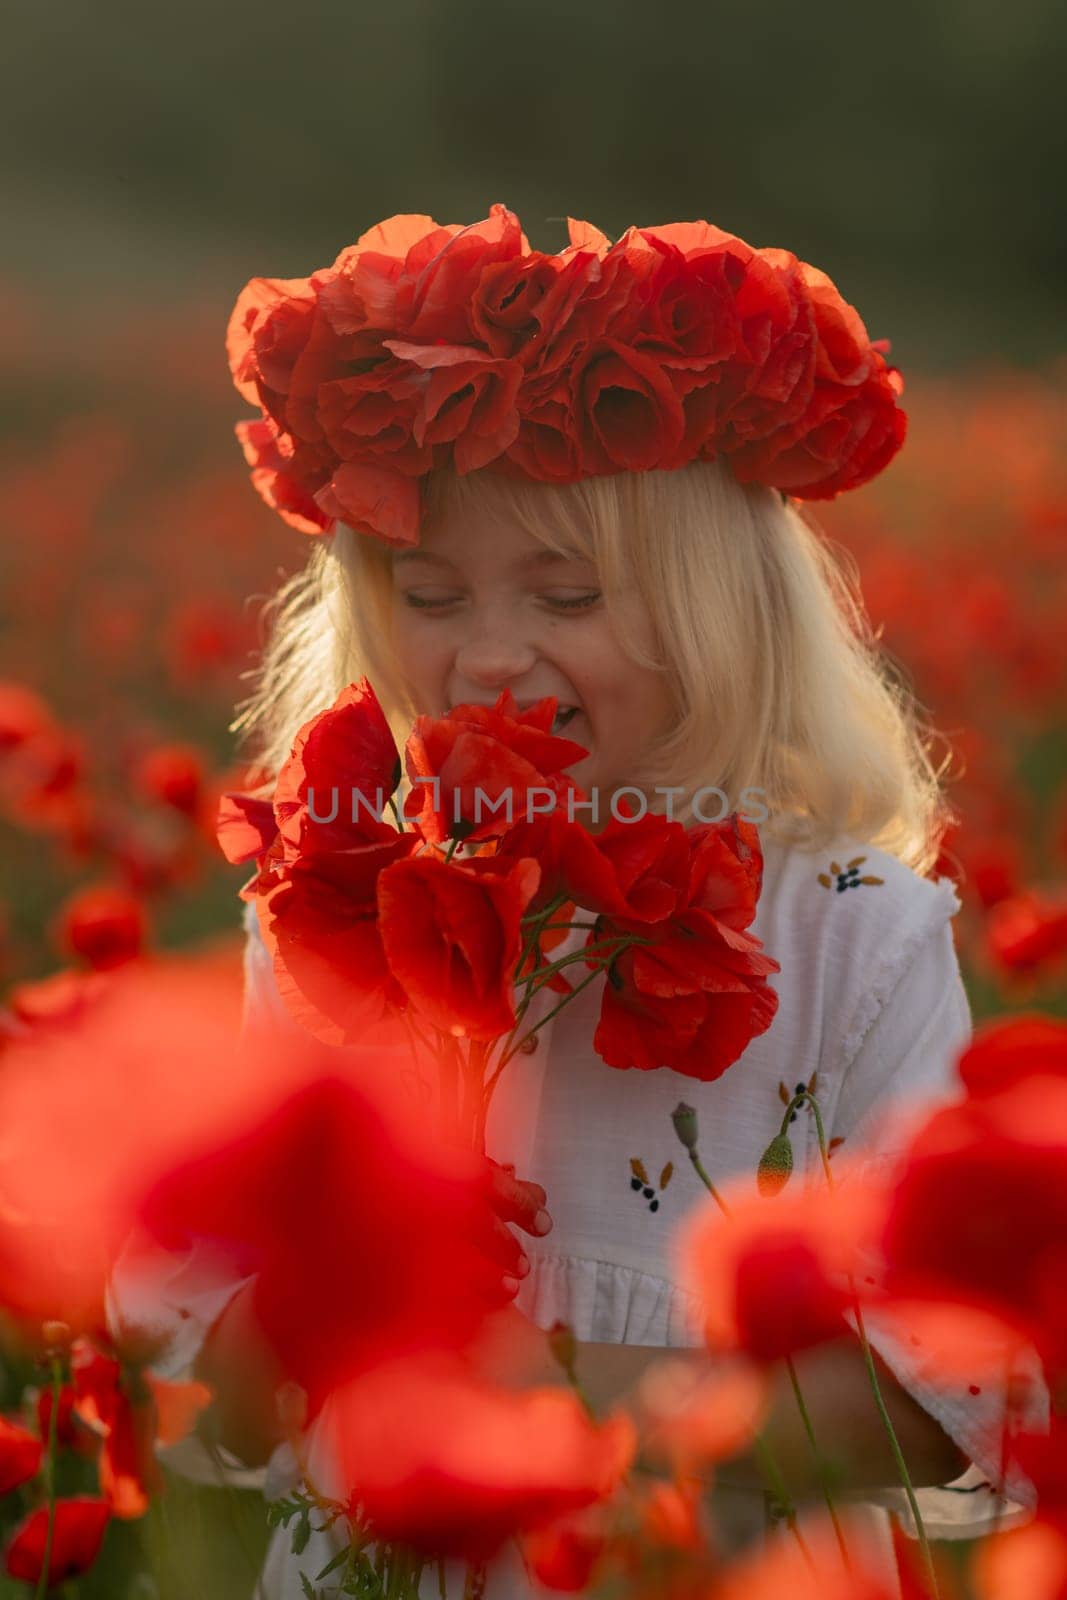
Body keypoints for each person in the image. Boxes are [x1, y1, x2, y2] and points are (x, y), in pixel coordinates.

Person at [153, 210, 1047, 1596]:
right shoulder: (341, 900)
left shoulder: (848, 929)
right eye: (430, 593)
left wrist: (540, 1409)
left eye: (565, 592)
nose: (489, 656)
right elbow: (211, 1341)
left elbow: (951, 1389)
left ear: (720, 610)